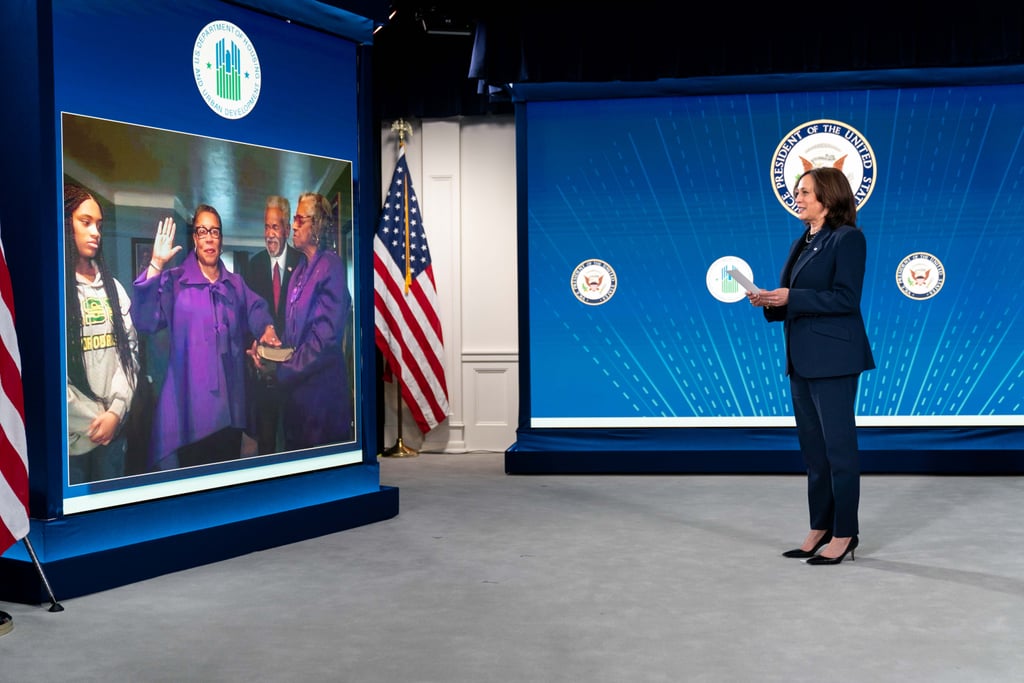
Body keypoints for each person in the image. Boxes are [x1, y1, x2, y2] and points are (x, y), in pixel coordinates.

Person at [746, 166, 875, 565]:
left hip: (834, 360)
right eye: (797, 192)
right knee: (814, 453)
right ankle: (820, 525)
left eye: (804, 192)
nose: (797, 198)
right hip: (801, 360)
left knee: (839, 451)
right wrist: (771, 301)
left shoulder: (848, 239)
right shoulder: (803, 241)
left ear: (829, 197)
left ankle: (845, 532)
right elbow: (796, 297)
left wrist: (792, 297)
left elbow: (845, 299)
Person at [133, 204, 280, 469]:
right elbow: (144, 321)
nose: (209, 237)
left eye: (214, 231)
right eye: (202, 231)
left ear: (221, 239)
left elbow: (257, 310)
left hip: (230, 413)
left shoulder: (234, 284)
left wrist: (266, 330)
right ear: (195, 239)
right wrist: (156, 264)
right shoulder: (175, 281)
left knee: (227, 490)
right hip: (190, 415)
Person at [253, 192, 353, 450]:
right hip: (296, 401)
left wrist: (280, 370)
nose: (294, 225)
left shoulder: (332, 267)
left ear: (317, 225)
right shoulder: (299, 270)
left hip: (321, 402)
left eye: (299, 219)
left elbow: (323, 341)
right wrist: (267, 353)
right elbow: (292, 338)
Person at [64, 183, 140, 483]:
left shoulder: (115, 289)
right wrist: (93, 420)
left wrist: (116, 412)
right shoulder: (56, 290)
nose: (95, 231)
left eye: (99, 224)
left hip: (113, 433)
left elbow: (130, 354)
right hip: (72, 441)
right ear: (66, 224)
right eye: (85, 222)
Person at [242, 196, 302, 454]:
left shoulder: (302, 263)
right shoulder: (253, 266)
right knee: (266, 444)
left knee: (294, 442)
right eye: (266, 227)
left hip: (296, 376)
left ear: (287, 229)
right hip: (264, 376)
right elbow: (245, 315)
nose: (269, 234)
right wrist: (252, 344)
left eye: (275, 227)